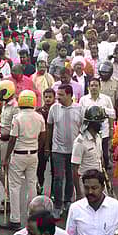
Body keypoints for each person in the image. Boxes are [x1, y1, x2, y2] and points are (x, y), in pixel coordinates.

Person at [5, 90, 45, 229]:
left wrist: (6, 157)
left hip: (19, 154)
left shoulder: (18, 118)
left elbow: (12, 139)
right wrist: (37, 149)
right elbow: (43, 136)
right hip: (33, 154)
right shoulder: (39, 117)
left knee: (15, 187)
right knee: (32, 184)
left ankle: (15, 219)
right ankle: (32, 217)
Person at [48, 84, 83, 212]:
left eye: (61, 95)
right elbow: (49, 127)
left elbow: (82, 129)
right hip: (57, 150)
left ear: (70, 95)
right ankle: (57, 205)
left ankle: (68, 201)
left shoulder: (79, 109)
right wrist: (48, 147)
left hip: (74, 150)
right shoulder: (54, 108)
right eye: (58, 94)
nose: (58, 97)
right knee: (58, 178)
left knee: (71, 177)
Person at [71, 105, 105, 199]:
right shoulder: (80, 142)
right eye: (100, 123)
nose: (101, 125)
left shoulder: (98, 137)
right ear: (92, 123)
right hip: (86, 184)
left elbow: (100, 159)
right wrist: (78, 192)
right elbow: (74, 168)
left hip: (99, 182)